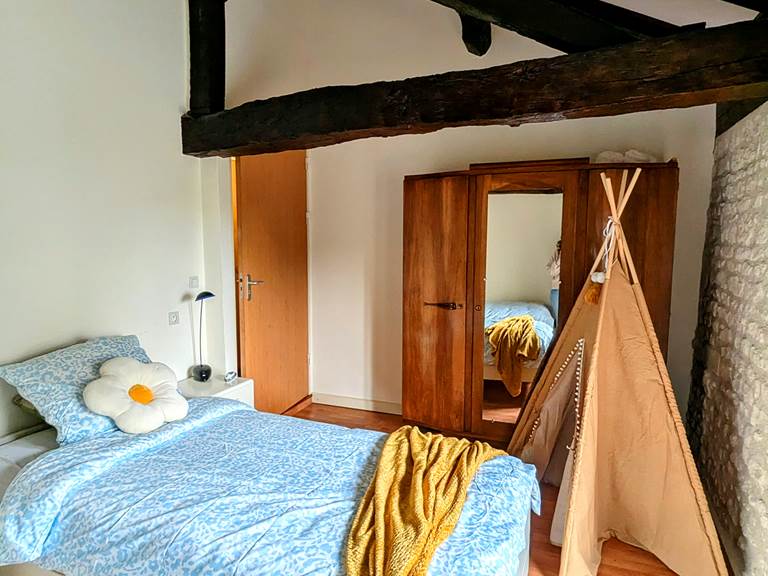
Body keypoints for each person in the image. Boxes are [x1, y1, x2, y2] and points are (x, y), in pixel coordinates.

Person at [547, 240, 561, 324]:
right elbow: (552, 272)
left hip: (571, 289)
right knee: (558, 320)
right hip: (557, 290)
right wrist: (559, 259)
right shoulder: (557, 253)